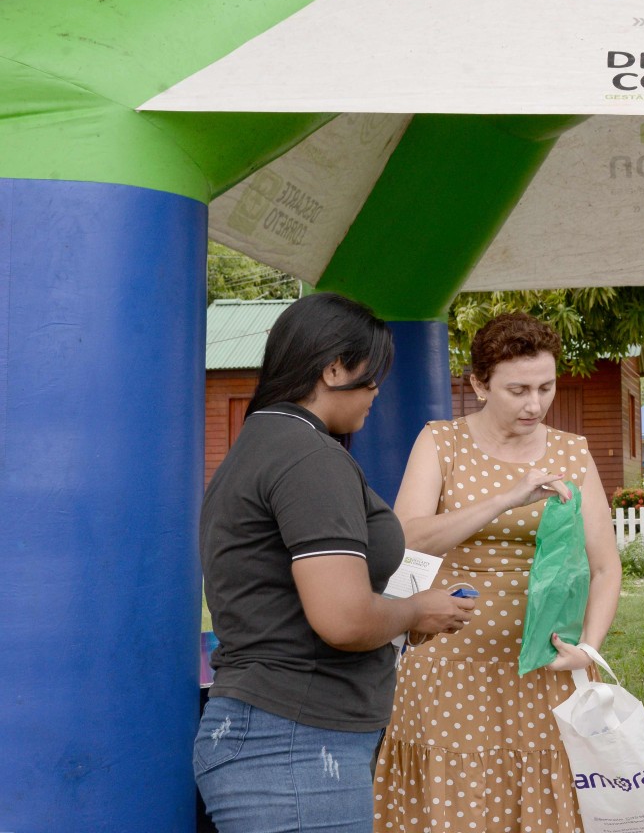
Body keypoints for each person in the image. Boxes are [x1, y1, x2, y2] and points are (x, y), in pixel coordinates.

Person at [195, 292, 476, 833]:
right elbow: (343, 619)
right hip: (294, 746)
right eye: (372, 376)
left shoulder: (261, 443)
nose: (377, 392)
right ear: (334, 368)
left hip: (280, 737)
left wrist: (397, 618)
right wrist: (415, 610)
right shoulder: (310, 458)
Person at [374, 312, 622, 832]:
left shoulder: (572, 452)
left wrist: (588, 648)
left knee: (544, 799)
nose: (535, 404)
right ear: (480, 384)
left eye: (546, 387)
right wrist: (508, 498)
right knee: (455, 800)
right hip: (450, 658)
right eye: (518, 390)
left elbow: (604, 567)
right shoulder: (442, 442)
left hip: (544, 662)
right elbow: (408, 536)